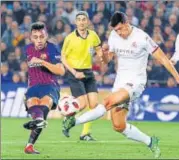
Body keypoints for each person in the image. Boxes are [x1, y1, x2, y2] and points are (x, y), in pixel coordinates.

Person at [62, 12, 179, 158]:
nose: (119, 33)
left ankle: (73, 121)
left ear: (126, 22)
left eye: (120, 29)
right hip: (120, 81)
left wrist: (177, 77)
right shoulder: (113, 36)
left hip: (136, 81)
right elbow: (107, 60)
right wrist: (103, 55)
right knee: (118, 126)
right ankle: (151, 142)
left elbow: (163, 59)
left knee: (107, 101)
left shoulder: (142, 38)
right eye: (116, 30)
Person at [61, 11, 105, 141]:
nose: (81, 22)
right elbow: (63, 58)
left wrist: (101, 55)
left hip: (88, 72)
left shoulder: (93, 35)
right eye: (79, 19)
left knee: (94, 104)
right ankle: (68, 117)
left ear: (88, 21)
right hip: (75, 72)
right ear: (75, 22)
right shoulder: (70, 38)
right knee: (83, 104)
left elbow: (98, 48)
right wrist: (74, 72)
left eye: (83, 19)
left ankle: (85, 133)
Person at [23, 22, 65, 154]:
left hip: (50, 85)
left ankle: (39, 120)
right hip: (34, 86)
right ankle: (29, 145)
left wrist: (42, 61)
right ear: (30, 38)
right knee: (32, 103)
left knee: (44, 103)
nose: (39, 40)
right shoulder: (28, 49)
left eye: (41, 36)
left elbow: (61, 71)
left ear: (46, 36)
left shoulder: (52, 48)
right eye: (35, 37)